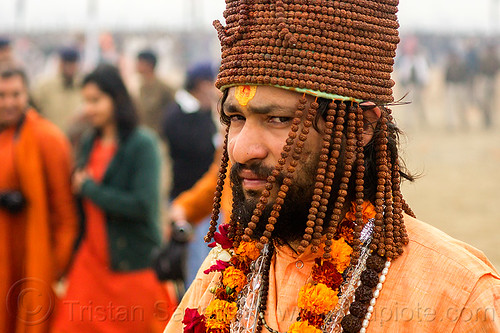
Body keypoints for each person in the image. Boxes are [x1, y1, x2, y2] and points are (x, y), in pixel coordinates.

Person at [164, 2, 500, 333]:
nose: (240, 149)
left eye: (279, 119)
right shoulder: (220, 274)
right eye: (236, 118)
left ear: (361, 129)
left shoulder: (458, 300)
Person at [52, 64, 175, 332]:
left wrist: (90, 189)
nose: (89, 108)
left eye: (96, 101)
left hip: (132, 264)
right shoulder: (88, 141)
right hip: (91, 262)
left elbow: (143, 205)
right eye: (86, 101)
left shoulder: (143, 145)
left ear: (116, 99)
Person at [0, 67, 77, 333]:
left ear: (27, 95)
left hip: (35, 259)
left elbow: (65, 211)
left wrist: (54, 267)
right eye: (2, 95)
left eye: (15, 94)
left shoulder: (48, 138)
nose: (9, 102)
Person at [162, 62, 220, 286]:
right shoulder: (179, 114)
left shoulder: (201, 112)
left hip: (203, 193)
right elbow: (197, 148)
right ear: (201, 85)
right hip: (189, 192)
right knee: (196, 261)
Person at [31, 47, 83, 131]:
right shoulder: (45, 86)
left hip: (76, 140)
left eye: (73, 63)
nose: (70, 67)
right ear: (60, 63)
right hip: (50, 136)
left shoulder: (82, 85)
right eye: (66, 63)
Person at [136, 49, 174, 134]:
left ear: (148, 65)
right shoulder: (142, 87)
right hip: (145, 134)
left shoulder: (163, 87)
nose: (136, 65)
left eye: (140, 62)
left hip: (160, 136)